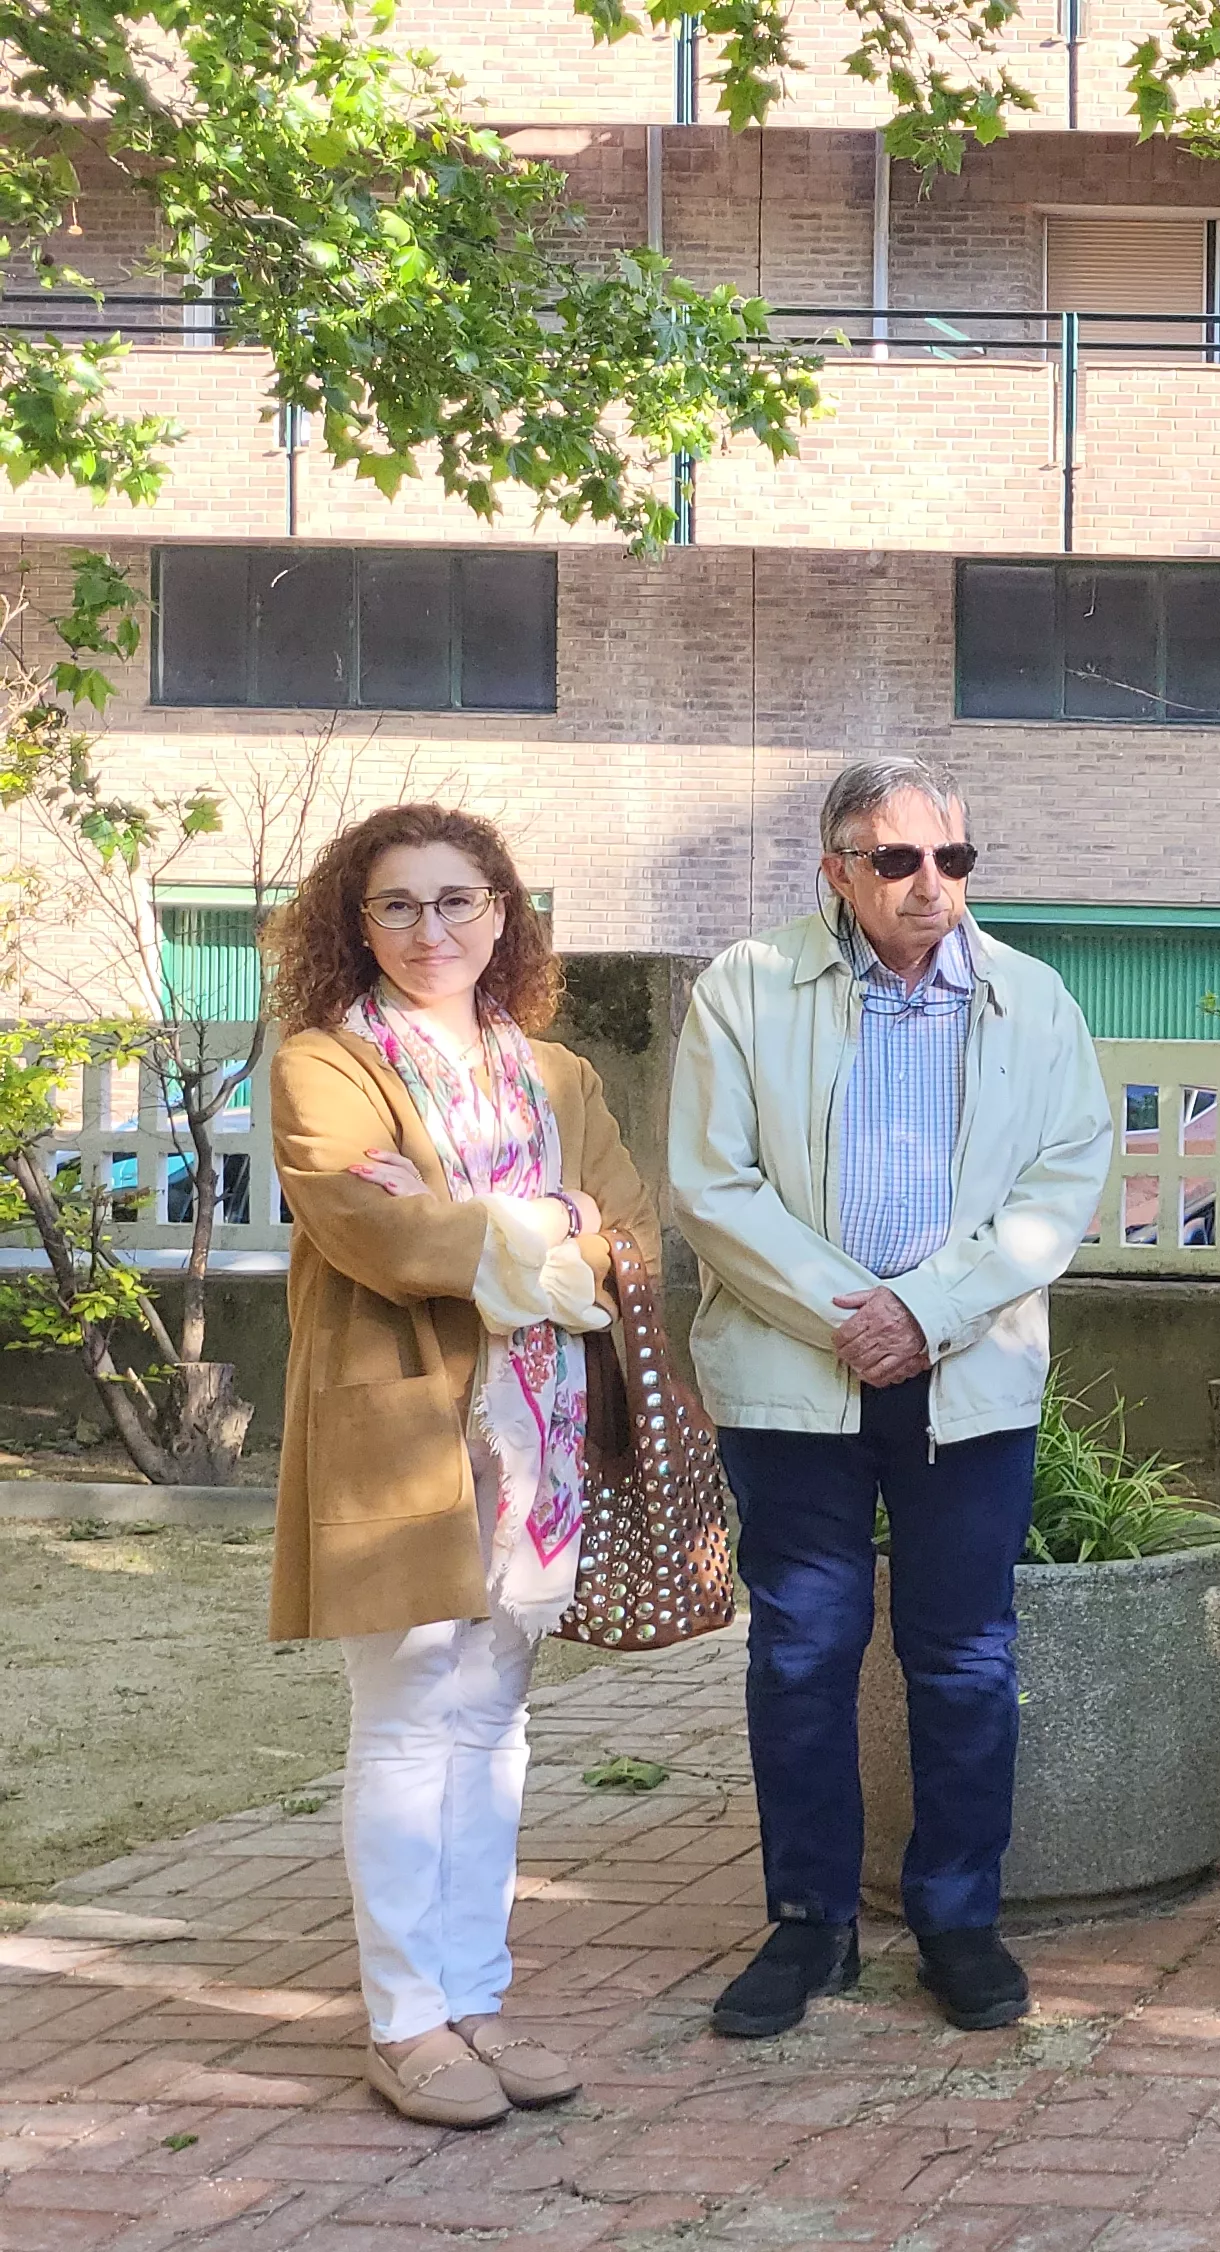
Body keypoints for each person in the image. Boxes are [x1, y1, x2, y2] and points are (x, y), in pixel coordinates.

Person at [672, 757, 1112, 2041]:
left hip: (964, 1377)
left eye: (953, 858)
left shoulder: (1034, 1000)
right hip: (790, 1377)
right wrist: (847, 1315)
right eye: (898, 859)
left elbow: (1062, 1183)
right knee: (800, 1652)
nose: (932, 883)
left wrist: (924, 1311)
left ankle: (958, 1918)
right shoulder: (744, 987)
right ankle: (808, 1922)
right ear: (836, 870)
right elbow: (711, 1183)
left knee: (964, 1654)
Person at [264, 805, 653, 2127]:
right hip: (402, 1432)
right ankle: (405, 2021)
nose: (430, 927)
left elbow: (629, 1236)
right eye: (397, 903)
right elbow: (379, 1235)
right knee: (405, 1713)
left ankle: (475, 1996)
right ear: (357, 923)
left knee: (492, 1720)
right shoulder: (326, 1064)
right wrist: (552, 1219)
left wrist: (485, 1222)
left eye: (456, 899)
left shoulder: (560, 1076)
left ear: (502, 914)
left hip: (538, 1433)